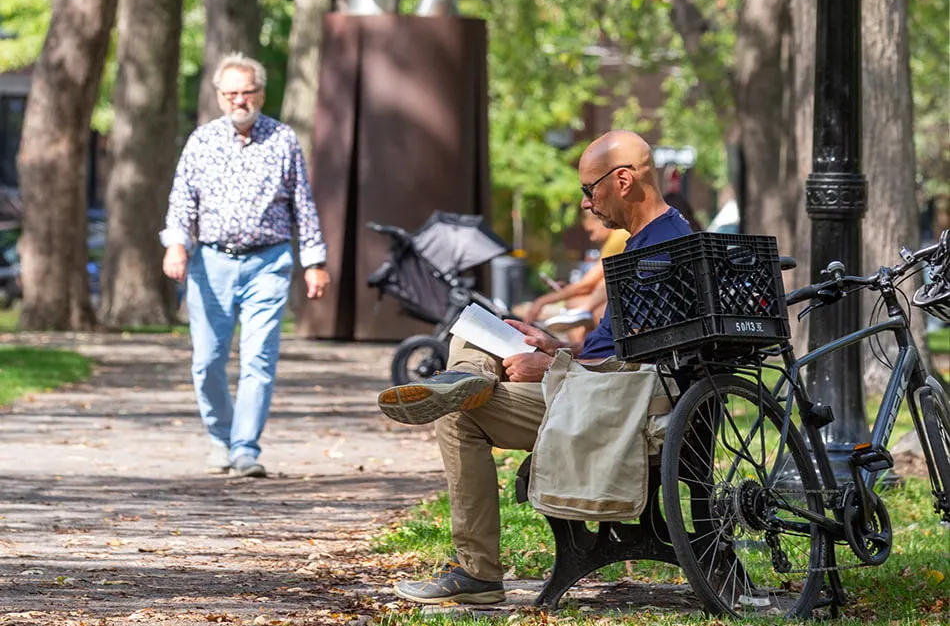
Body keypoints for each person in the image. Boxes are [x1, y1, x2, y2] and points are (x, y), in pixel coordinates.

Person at [375, 130, 693, 604]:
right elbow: (627, 348)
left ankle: (478, 573)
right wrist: (557, 348)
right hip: (596, 387)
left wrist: (551, 366)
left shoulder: (657, 253)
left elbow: (635, 368)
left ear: (623, 181)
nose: (586, 203)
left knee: (459, 416)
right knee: (474, 332)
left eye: (589, 189)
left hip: (616, 408)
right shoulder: (656, 240)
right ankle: (469, 377)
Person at [162, 52, 330, 478]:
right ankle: (221, 438)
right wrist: (176, 245)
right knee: (207, 360)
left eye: (248, 92)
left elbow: (303, 205)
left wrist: (314, 261)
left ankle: (245, 449)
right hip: (211, 262)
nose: (240, 100)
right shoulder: (201, 141)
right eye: (232, 93)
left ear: (261, 94)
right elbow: (182, 202)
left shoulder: (283, 140)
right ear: (220, 96)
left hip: (268, 262)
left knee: (258, 359)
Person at [519, 209, 628, 340]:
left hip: (620, 302)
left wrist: (542, 301)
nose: (591, 237)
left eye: (591, 231)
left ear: (599, 219)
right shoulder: (615, 239)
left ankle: (584, 321)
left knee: (576, 307)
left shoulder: (618, 237)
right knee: (576, 311)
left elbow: (587, 285)